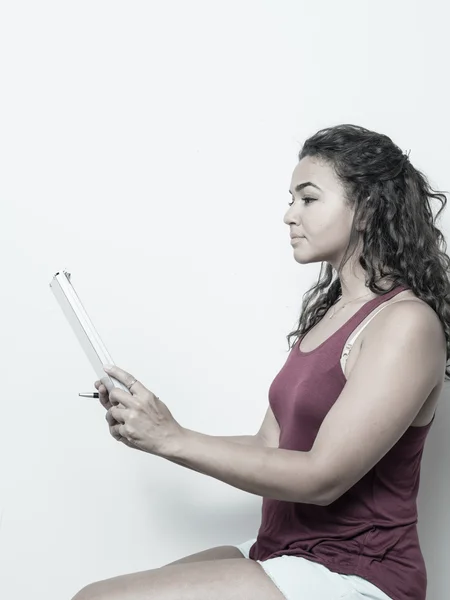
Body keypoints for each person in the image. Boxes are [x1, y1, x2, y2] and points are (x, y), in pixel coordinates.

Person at [72, 124, 449, 600]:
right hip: (284, 553)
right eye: (291, 199)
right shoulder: (330, 316)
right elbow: (268, 445)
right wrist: (153, 429)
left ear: (368, 206)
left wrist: (172, 439)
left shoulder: (406, 324)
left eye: (308, 199)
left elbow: (322, 478)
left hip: (356, 576)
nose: (289, 215)